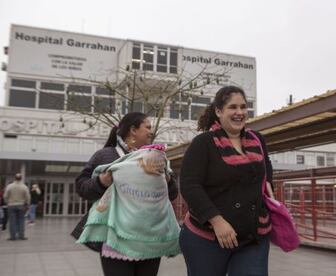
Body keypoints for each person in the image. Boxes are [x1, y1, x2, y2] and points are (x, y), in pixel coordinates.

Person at [179, 86, 274, 276]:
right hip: (207, 238)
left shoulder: (257, 140)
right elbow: (189, 185)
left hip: (253, 235)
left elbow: (267, 167)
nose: (239, 113)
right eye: (233, 107)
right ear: (219, 111)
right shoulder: (204, 143)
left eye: (243, 107)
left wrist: (268, 187)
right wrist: (217, 221)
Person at [73, 112, 178, 276]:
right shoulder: (106, 155)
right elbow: (82, 187)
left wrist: (167, 179)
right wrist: (102, 181)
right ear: (133, 130)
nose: (151, 132)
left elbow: (172, 194)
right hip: (115, 239)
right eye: (147, 127)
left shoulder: (155, 158)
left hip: (149, 236)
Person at [4, 173, 31, 240]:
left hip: (11, 205)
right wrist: (27, 204)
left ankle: (13, 237)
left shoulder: (9, 186)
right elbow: (28, 197)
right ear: (21, 178)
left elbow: (5, 196)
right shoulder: (24, 186)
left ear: (14, 178)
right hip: (21, 205)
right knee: (21, 220)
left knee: (12, 221)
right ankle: (21, 236)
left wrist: (7, 202)